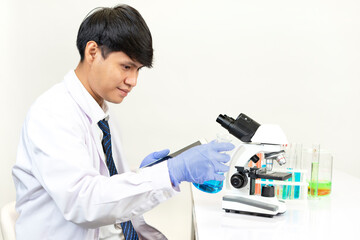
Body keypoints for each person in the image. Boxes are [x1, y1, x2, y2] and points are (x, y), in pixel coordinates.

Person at [12, 4, 234, 240]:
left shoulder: (99, 112)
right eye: (126, 67)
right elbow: (84, 203)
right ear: (92, 52)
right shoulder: (53, 113)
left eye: (138, 70)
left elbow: (105, 190)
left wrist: (147, 174)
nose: (133, 81)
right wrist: (170, 172)